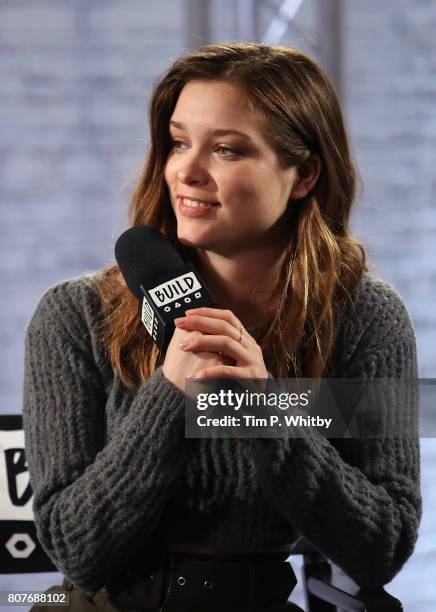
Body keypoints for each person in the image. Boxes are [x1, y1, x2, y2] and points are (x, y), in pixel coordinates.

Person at [22, 42, 421, 612]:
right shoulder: (74, 316)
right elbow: (78, 551)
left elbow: (381, 547)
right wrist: (172, 394)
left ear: (305, 173)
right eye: (179, 142)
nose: (186, 170)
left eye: (228, 150)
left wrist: (262, 409)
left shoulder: (362, 318)